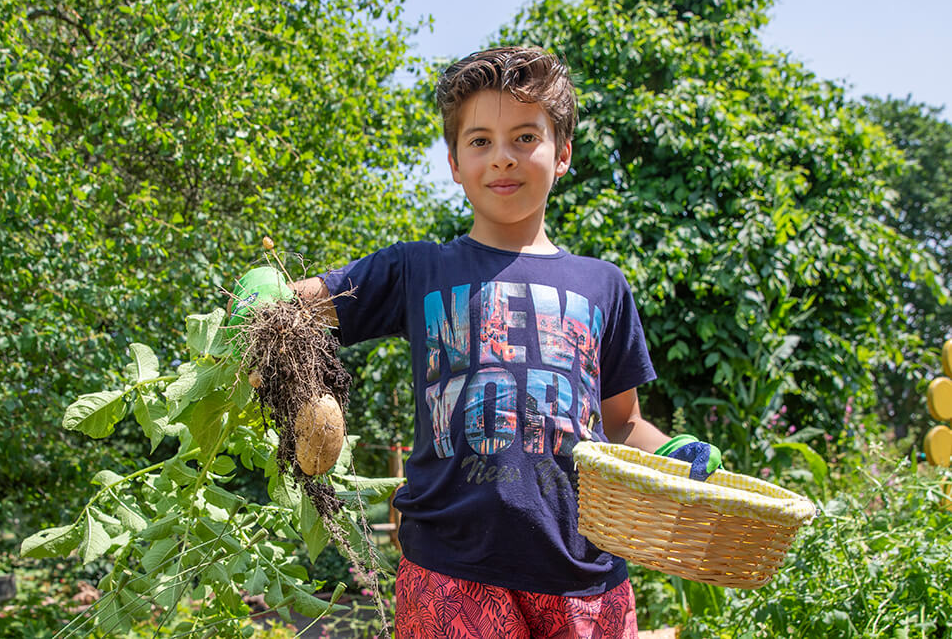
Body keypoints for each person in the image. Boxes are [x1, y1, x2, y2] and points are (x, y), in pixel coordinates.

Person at [286, 46, 719, 638]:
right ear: (455, 162)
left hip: (585, 570)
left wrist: (675, 454)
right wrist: (266, 299)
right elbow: (301, 305)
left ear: (562, 153)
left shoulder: (603, 285)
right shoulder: (416, 270)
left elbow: (620, 423)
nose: (503, 159)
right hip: (451, 567)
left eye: (524, 137)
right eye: (481, 141)